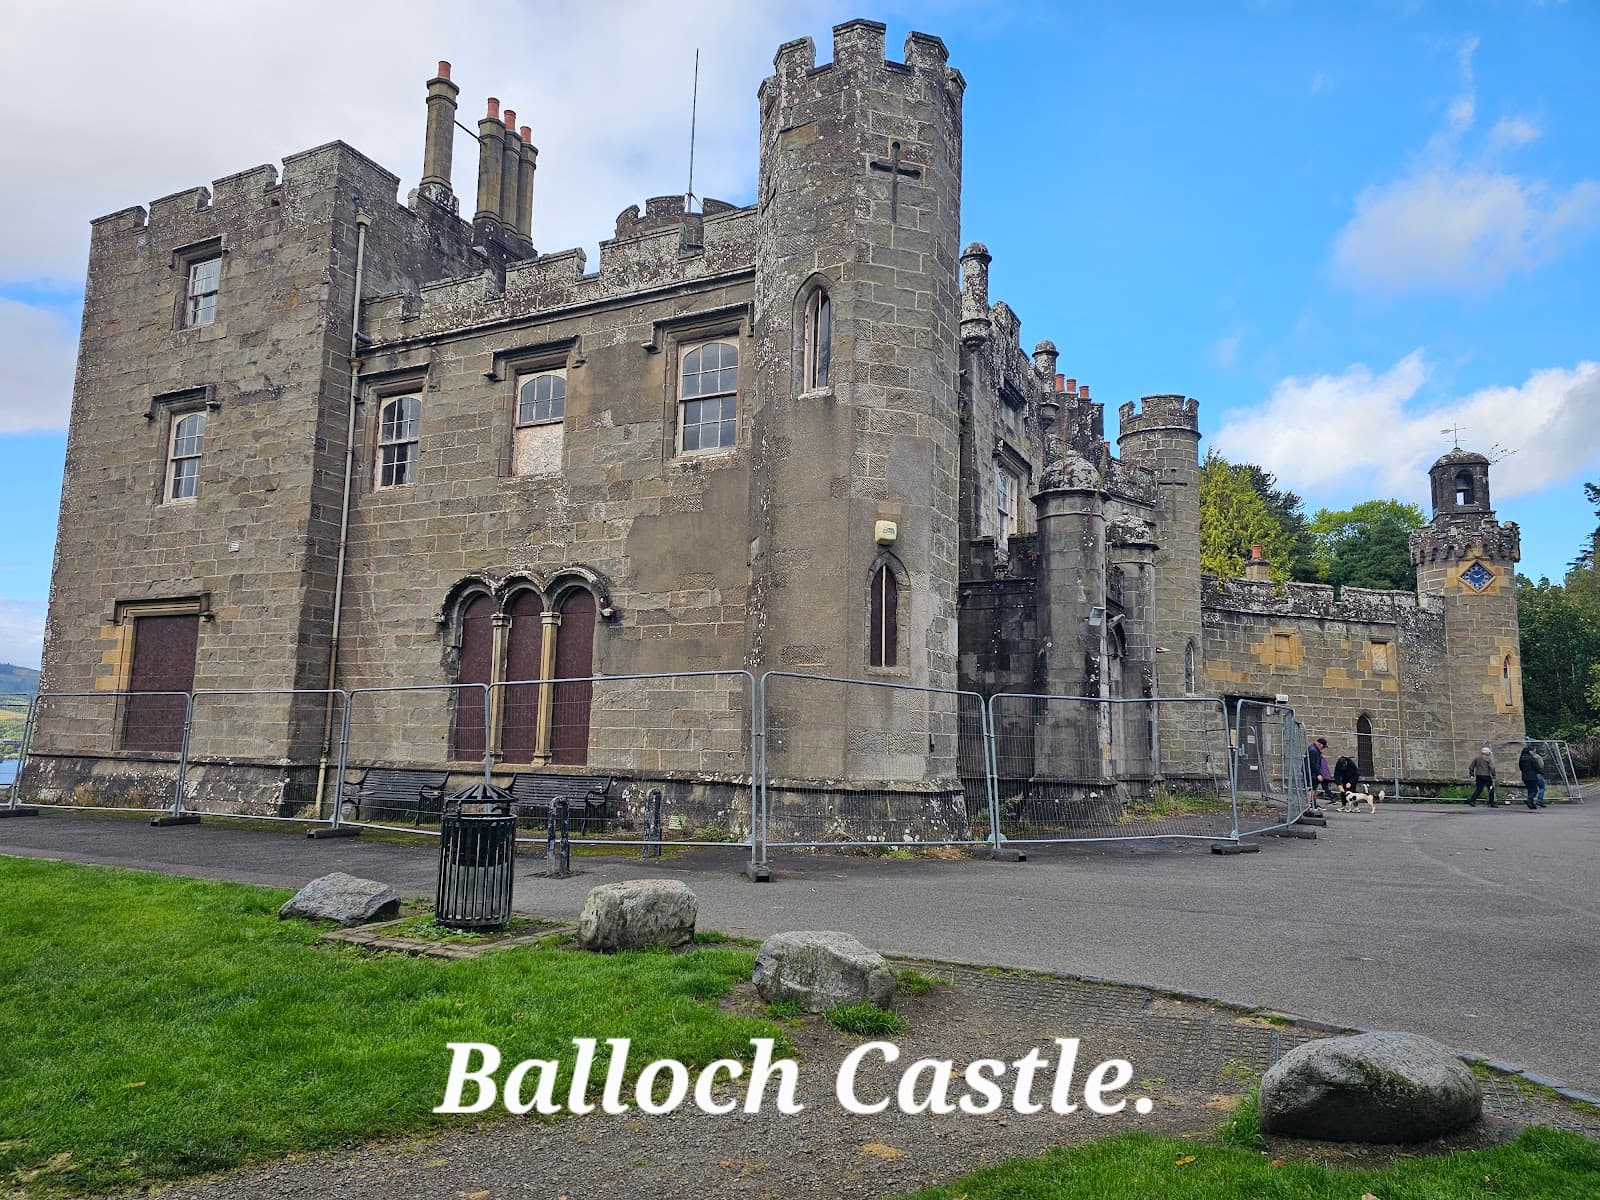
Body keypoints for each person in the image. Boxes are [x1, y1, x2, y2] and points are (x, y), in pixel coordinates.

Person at [1518, 744, 1549, 809]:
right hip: (1532, 776)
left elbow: (1520, 767)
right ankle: (1530, 800)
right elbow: (1537, 767)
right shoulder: (1531, 758)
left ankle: (1531, 804)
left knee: (1530, 790)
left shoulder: (1521, 759)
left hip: (1524, 776)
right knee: (1535, 789)